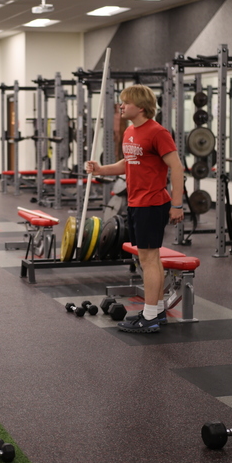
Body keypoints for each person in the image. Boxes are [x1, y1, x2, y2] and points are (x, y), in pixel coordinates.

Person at [85, 85, 185, 333]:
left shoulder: (158, 132)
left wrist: (177, 204)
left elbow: (177, 167)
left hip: (152, 203)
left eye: (126, 103)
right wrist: (100, 169)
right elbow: (126, 163)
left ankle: (150, 318)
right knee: (151, 259)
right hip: (136, 201)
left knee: (148, 260)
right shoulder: (130, 131)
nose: (121, 106)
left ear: (140, 106)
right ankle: (157, 310)